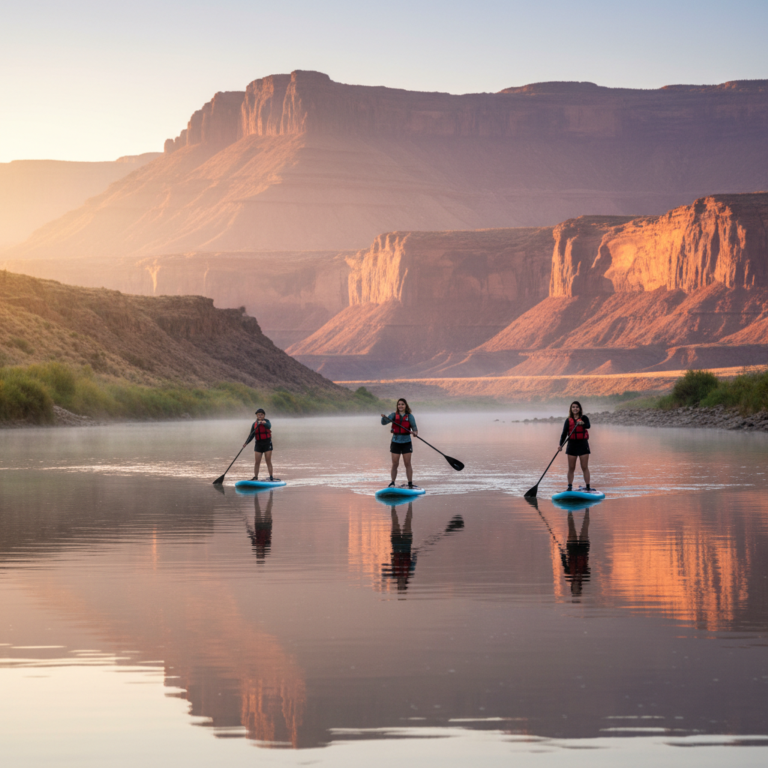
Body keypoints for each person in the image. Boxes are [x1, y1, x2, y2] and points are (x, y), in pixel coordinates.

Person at [381, 398, 418, 488]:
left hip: (406, 443)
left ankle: (410, 483)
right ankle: (392, 482)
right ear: (397, 406)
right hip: (395, 442)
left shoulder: (410, 417)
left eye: (402, 404)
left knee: (407, 463)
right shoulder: (393, 415)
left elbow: (415, 430)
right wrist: (384, 418)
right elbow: (383, 423)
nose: (400, 406)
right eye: (399, 404)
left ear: (406, 406)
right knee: (395, 463)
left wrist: (415, 433)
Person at [556, 400, 592, 491]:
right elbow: (564, 434)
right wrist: (560, 445)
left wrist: (582, 423)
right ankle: (569, 486)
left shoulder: (584, 418)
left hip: (583, 444)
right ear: (571, 409)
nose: (575, 408)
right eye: (573, 407)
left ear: (579, 409)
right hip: (572, 445)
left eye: (576, 407)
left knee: (584, 467)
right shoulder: (568, 421)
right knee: (571, 468)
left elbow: (588, 426)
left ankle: (588, 487)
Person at [243, 408, 279, 481]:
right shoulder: (254, 424)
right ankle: (255, 477)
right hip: (258, 444)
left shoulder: (267, 422)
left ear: (264, 415)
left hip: (267, 443)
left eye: (261, 414)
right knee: (257, 462)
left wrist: (264, 423)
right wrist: (246, 443)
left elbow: (269, 426)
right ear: (256, 415)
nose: (260, 416)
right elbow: (251, 435)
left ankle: (271, 477)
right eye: (258, 414)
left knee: (268, 460)